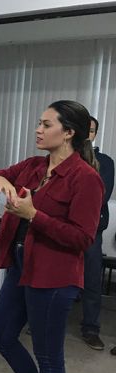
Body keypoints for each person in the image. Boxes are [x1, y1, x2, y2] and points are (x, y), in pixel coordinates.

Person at [0, 100, 103, 373]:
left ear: (69, 132)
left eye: (46, 125)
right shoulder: (33, 166)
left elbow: (82, 238)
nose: (38, 130)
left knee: (49, 357)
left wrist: (33, 215)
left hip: (55, 275)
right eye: (38, 123)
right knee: (0, 334)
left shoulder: (86, 179)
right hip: (21, 265)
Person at [80, 116, 114, 351]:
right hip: (63, 229)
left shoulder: (105, 162)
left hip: (91, 230)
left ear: (95, 134)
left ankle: (91, 329)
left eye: (91, 131)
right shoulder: (65, 159)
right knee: (58, 279)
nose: (87, 134)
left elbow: (101, 195)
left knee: (92, 280)